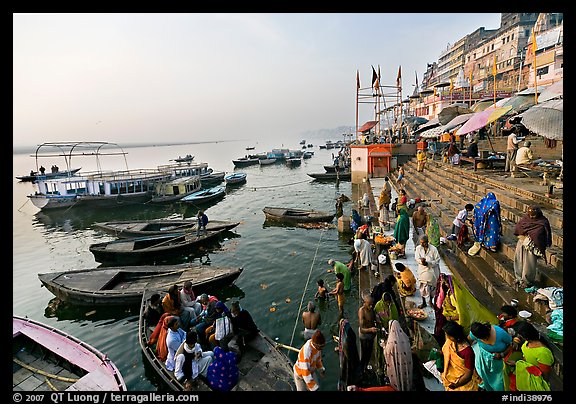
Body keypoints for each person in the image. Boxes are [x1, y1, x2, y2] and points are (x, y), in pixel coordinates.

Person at [506, 321, 554, 391]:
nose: (518, 336)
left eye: (519, 335)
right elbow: (526, 359)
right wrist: (517, 363)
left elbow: (545, 376)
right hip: (527, 376)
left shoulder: (543, 353)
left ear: (525, 336)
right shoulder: (527, 343)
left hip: (535, 382)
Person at [513, 206, 552, 289]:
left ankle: (527, 281)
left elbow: (542, 236)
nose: (532, 217)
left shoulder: (542, 222)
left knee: (529, 264)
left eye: (534, 216)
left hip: (532, 246)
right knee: (518, 260)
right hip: (521, 241)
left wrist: (532, 240)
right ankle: (518, 277)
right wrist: (523, 236)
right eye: (530, 215)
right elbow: (518, 227)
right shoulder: (526, 219)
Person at [468, 321, 512, 391]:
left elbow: (511, 344)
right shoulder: (474, 334)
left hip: (500, 360)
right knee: (484, 375)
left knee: (500, 382)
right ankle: (486, 385)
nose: (485, 340)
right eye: (482, 339)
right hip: (484, 357)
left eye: (486, 337)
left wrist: (502, 354)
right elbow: (468, 341)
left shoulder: (500, 333)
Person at [441, 321, 480, 391]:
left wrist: (456, 385)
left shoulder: (468, 352)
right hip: (450, 377)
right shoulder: (451, 342)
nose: (447, 337)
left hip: (462, 384)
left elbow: (468, 375)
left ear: (454, 336)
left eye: (448, 336)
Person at [382, 319, 414, 391]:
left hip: (397, 367)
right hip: (406, 366)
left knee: (398, 378)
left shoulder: (390, 343)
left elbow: (387, 354)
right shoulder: (405, 338)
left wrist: (384, 346)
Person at [414, 234, 440, 308]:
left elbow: (437, 260)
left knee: (432, 288)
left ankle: (431, 301)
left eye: (424, 242)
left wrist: (428, 263)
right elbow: (417, 258)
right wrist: (421, 262)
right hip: (422, 271)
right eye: (421, 242)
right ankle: (424, 302)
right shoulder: (418, 248)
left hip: (432, 271)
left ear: (427, 242)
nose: (422, 244)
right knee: (422, 287)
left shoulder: (433, 249)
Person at [357, 294, 378, 372]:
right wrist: (371, 330)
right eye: (369, 305)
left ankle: (366, 365)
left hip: (371, 335)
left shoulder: (371, 310)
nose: (371, 306)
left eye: (372, 304)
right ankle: (362, 368)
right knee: (364, 353)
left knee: (369, 352)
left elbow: (374, 319)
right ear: (364, 303)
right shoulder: (361, 312)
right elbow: (362, 329)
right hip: (364, 336)